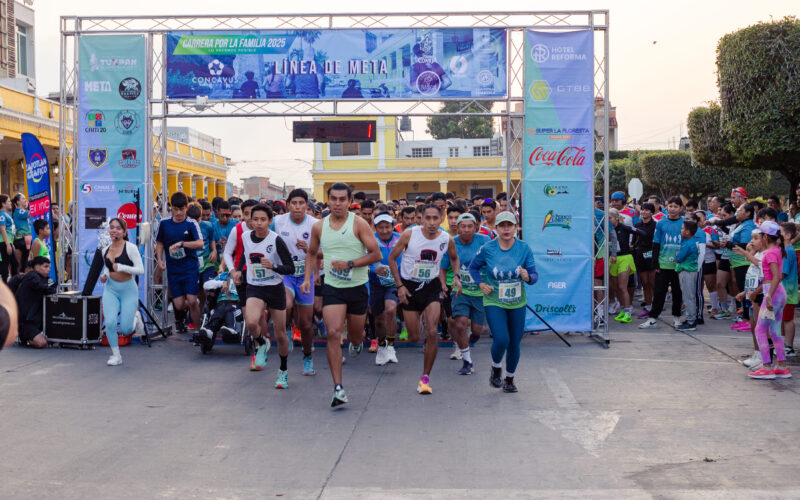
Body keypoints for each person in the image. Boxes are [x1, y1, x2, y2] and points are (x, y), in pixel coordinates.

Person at [300, 182, 381, 407]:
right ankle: (338, 388)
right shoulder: (319, 226)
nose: (337, 203)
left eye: (342, 199)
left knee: (355, 336)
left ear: (349, 201)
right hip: (333, 287)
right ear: (328, 200)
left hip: (357, 288)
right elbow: (312, 252)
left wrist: (350, 264)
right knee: (333, 333)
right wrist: (307, 279)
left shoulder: (359, 224)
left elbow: (376, 255)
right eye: (333, 199)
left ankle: (357, 341)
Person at [388, 204, 459, 395]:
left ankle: (425, 378)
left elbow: (454, 258)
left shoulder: (446, 239)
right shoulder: (409, 235)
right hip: (409, 288)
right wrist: (400, 286)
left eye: (436, 218)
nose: (431, 223)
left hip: (431, 287)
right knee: (413, 336)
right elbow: (392, 259)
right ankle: (417, 319)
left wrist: (457, 276)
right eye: (427, 218)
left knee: (432, 332)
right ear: (421, 218)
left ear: (441, 217)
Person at [469, 211, 537, 393]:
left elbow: (534, 276)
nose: (506, 229)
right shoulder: (488, 248)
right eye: (502, 225)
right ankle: (496, 367)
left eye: (510, 225)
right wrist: (481, 284)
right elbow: (473, 267)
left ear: (516, 227)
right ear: (496, 228)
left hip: (517, 302)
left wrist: (527, 276)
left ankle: (509, 379)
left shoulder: (524, 248)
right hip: (494, 300)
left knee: (514, 342)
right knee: (501, 338)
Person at [233, 204, 295, 388]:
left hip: (275, 288)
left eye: (263, 220)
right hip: (255, 286)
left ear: (270, 221)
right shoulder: (245, 236)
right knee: (251, 322)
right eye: (256, 219)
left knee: (281, 335)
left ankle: (283, 371)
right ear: (250, 220)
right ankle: (261, 342)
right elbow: (246, 256)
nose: (259, 223)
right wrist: (239, 271)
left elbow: (290, 267)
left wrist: (273, 267)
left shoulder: (276, 240)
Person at [273, 189, 318, 376]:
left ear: (307, 205)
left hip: (305, 274)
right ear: (288, 205)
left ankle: (307, 357)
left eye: (301, 203)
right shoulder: (278, 222)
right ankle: (287, 333)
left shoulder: (315, 225)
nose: (298, 207)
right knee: (286, 303)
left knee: (306, 325)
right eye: (294, 203)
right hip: (286, 273)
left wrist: (308, 250)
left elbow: (319, 253)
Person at [441, 212, 490, 375]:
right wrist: (443, 285)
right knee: (460, 324)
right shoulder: (452, 243)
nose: (467, 230)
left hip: (480, 292)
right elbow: (442, 267)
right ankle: (467, 361)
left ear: (476, 227)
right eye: (464, 226)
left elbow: (494, 261)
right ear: (458, 228)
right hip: (460, 291)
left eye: (470, 226)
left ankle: (471, 341)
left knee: (477, 330)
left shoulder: (484, 241)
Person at [747, 221, 791, 379]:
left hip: (773, 294)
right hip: (777, 294)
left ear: (765, 236)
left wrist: (769, 296)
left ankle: (766, 367)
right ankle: (782, 366)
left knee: (760, 330)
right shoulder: (777, 249)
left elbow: (776, 276)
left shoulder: (771, 252)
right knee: (774, 331)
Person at [155, 192, 204, 332]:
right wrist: (159, 260)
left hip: (190, 267)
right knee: (179, 305)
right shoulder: (164, 223)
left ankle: (198, 331)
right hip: (173, 268)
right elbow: (159, 243)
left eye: (181, 209)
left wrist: (183, 244)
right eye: (175, 209)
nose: (178, 212)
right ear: (171, 208)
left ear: (186, 207)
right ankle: (194, 306)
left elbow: (200, 243)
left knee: (192, 300)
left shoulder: (191, 223)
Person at [99, 218, 144, 366]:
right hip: (111, 289)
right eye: (112, 228)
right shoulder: (105, 249)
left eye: (118, 228)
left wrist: (122, 267)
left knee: (125, 329)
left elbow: (140, 270)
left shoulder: (130, 247)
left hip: (128, 290)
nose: (114, 231)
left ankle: (136, 318)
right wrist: (105, 276)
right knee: (110, 323)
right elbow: (108, 267)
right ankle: (116, 355)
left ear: (124, 232)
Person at [639, 197, 685, 329]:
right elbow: (656, 244)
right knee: (659, 293)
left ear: (681, 208)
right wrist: (655, 263)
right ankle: (653, 318)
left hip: (678, 265)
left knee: (677, 293)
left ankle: (677, 318)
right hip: (663, 264)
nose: (672, 209)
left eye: (676, 206)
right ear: (666, 207)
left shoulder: (685, 223)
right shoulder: (660, 223)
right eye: (670, 206)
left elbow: (688, 243)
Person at [370, 213, 401, 366]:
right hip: (375, 283)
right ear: (375, 228)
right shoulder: (370, 239)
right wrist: (374, 268)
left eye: (387, 227)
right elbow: (363, 257)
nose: (384, 231)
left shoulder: (399, 238)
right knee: (379, 319)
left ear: (392, 226)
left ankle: (391, 346)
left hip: (394, 283)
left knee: (390, 309)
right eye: (380, 228)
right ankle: (381, 346)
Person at [609, 208, 645, 323]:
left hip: (625, 258)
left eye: (610, 218)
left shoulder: (623, 227)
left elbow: (641, 233)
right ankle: (623, 309)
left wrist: (634, 245)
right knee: (615, 287)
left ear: (615, 218)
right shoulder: (606, 229)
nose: (608, 221)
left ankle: (628, 310)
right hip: (613, 259)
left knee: (622, 286)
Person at [14, 256, 55, 348]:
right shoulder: (32, 276)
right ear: (37, 267)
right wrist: (48, 288)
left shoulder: (46, 279)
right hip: (25, 322)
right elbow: (41, 287)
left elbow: (52, 287)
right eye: (45, 267)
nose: (48, 270)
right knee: (41, 343)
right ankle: (24, 338)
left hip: (37, 320)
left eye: (49, 267)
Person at [633, 203, 657, 318]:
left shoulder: (656, 225)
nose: (644, 212)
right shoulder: (637, 225)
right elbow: (634, 241)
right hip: (640, 256)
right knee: (645, 283)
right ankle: (648, 307)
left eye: (647, 210)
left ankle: (656, 307)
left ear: (652, 212)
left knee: (653, 283)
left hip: (652, 256)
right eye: (642, 210)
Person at [675, 221, 700, 331]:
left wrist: (677, 253)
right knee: (689, 296)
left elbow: (678, 258)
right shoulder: (692, 241)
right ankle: (690, 318)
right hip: (690, 270)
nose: (681, 230)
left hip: (687, 271)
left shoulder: (688, 244)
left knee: (688, 296)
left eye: (682, 228)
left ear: (687, 232)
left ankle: (691, 322)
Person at [779, 222, 798, 357]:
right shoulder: (787, 249)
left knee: (787, 319)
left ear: (787, 235)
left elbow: (783, 273)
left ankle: (789, 346)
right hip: (784, 291)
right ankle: (783, 344)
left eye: (779, 232)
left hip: (787, 291)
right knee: (783, 318)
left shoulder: (788, 251)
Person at [11, 193, 30, 275]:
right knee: (19, 264)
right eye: (23, 198)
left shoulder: (24, 211)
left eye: (25, 198)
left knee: (25, 264)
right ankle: (15, 282)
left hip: (26, 240)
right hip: (20, 240)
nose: (25, 200)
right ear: (18, 202)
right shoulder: (18, 211)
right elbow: (29, 214)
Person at [0, 195, 14, 281]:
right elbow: (2, 229)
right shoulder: (2, 215)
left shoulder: (6, 214)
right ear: (3, 204)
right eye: (8, 201)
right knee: (7, 264)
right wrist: (8, 244)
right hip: (3, 243)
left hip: (8, 242)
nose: (10, 203)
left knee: (12, 263)